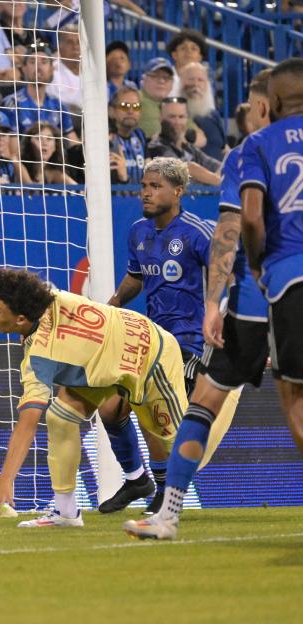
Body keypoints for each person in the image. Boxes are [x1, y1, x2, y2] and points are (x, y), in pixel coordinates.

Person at [124, 69, 276, 540]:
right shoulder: (140, 233)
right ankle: (153, 495)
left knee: (203, 403)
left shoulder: (248, 154)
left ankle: (168, 514)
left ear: (265, 107)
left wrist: (216, 303)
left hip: (259, 293)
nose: (246, 113)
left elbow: (236, 227)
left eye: (250, 104)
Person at [0, 269, 189, 527]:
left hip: (151, 354)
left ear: (21, 319)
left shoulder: (39, 356)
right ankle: (66, 513)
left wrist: (4, 484)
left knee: (183, 445)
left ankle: (221, 402)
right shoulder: (47, 298)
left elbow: (28, 423)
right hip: (106, 361)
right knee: (59, 417)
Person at [102, 157, 235, 514]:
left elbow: (226, 272)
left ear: (178, 191)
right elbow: (137, 276)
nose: (145, 193)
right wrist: (112, 305)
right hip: (153, 339)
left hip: (190, 342)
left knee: (150, 407)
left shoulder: (196, 231)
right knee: (109, 410)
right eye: (144, 186)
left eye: (155, 186)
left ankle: (165, 489)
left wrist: (218, 311)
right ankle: (137, 480)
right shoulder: (138, 232)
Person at [239, 59, 303, 451]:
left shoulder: (259, 144)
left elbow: (250, 216)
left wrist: (257, 262)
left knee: (294, 396)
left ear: (270, 102)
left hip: (289, 277)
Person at [1, 42, 78, 142]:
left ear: (51, 69)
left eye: (44, 62)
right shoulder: (12, 103)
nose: (38, 67)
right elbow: (12, 149)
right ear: (24, 69)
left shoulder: (58, 105)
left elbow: (73, 142)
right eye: (32, 62)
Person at [147, 97, 221, 186]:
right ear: (161, 118)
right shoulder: (155, 147)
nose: (177, 122)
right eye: (172, 117)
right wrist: (217, 180)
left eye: (181, 117)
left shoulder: (189, 149)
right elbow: (184, 168)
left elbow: (217, 166)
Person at [179, 61, 226, 160]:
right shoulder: (174, 114)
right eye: (191, 79)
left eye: (200, 80)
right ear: (181, 82)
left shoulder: (213, 115)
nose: (195, 84)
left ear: (207, 84)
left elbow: (223, 147)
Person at [109, 87, 147, 185]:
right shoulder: (107, 139)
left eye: (136, 106)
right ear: (111, 111)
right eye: (124, 106)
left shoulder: (140, 135)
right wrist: (123, 179)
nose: (131, 111)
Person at [138, 57, 175, 139]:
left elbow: (201, 138)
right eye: (155, 76)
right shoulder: (134, 100)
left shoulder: (174, 105)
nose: (161, 81)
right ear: (144, 79)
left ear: (172, 83)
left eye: (166, 78)